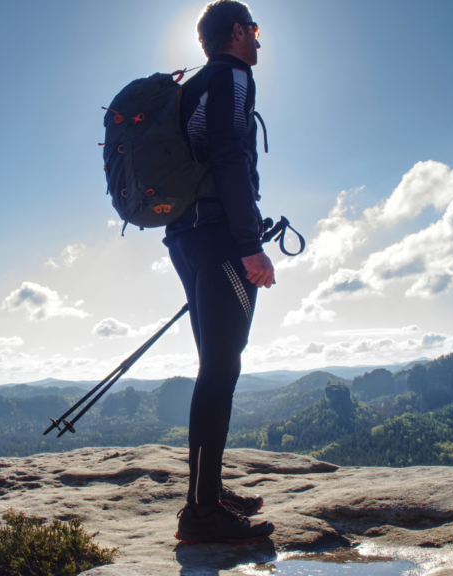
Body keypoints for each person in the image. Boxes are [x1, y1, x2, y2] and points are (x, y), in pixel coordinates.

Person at [168, 0, 276, 545]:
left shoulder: (189, 88)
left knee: (214, 364)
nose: (258, 40)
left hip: (184, 240)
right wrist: (250, 247)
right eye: (254, 30)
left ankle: (205, 492)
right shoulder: (233, 79)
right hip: (220, 243)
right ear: (236, 32)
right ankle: (203, 515)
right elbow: (232, 158)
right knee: (221, 368)